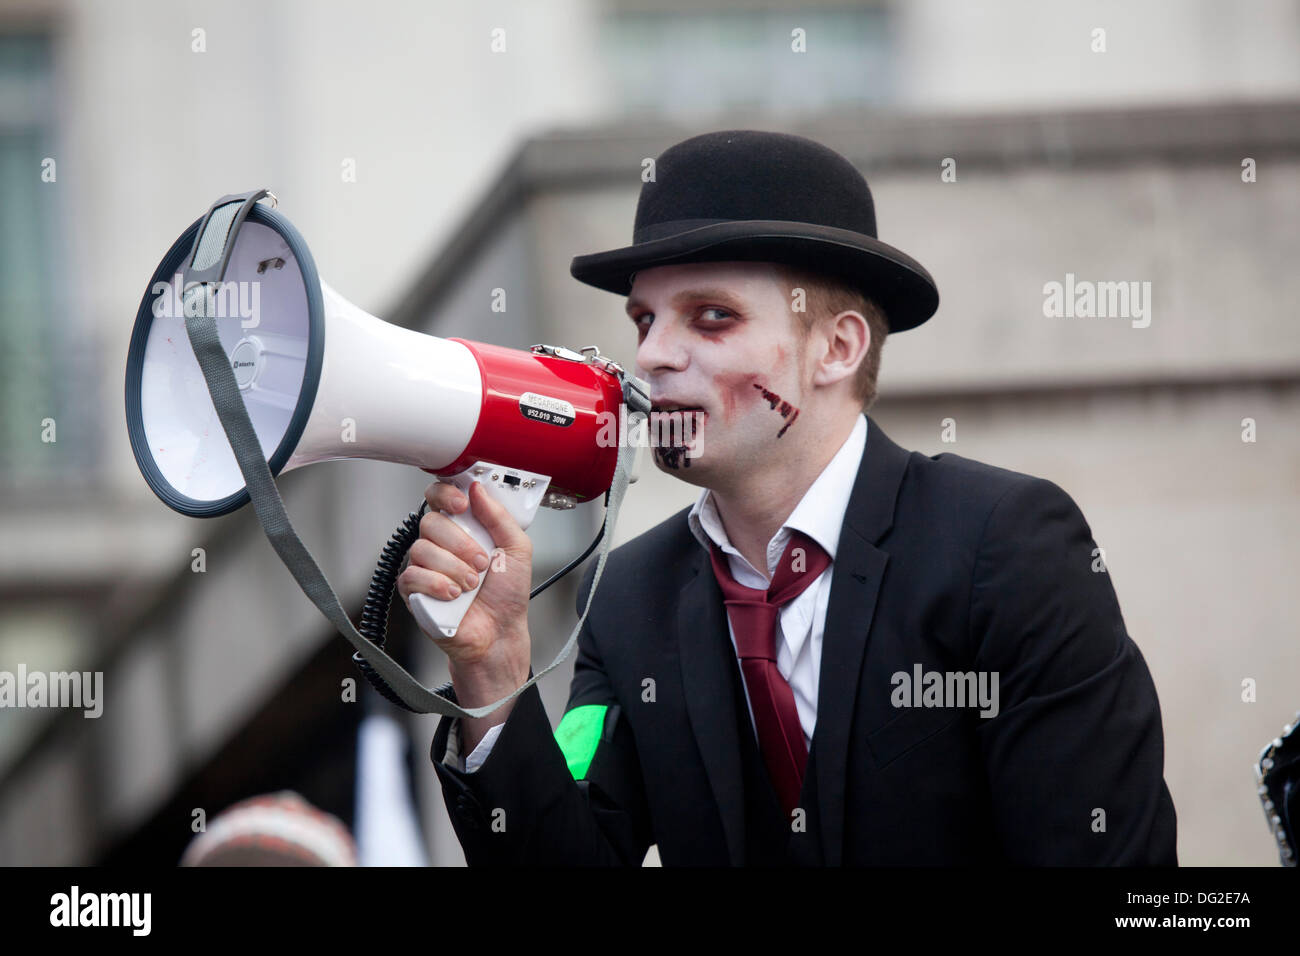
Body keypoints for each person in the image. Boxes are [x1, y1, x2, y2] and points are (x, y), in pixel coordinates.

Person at [396, 129, 1178, 865]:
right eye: (643, 319)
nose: (652, 355)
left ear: (836, 348)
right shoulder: (630, 601)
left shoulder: (1005, 546)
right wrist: (494, 680)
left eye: (711, 317)